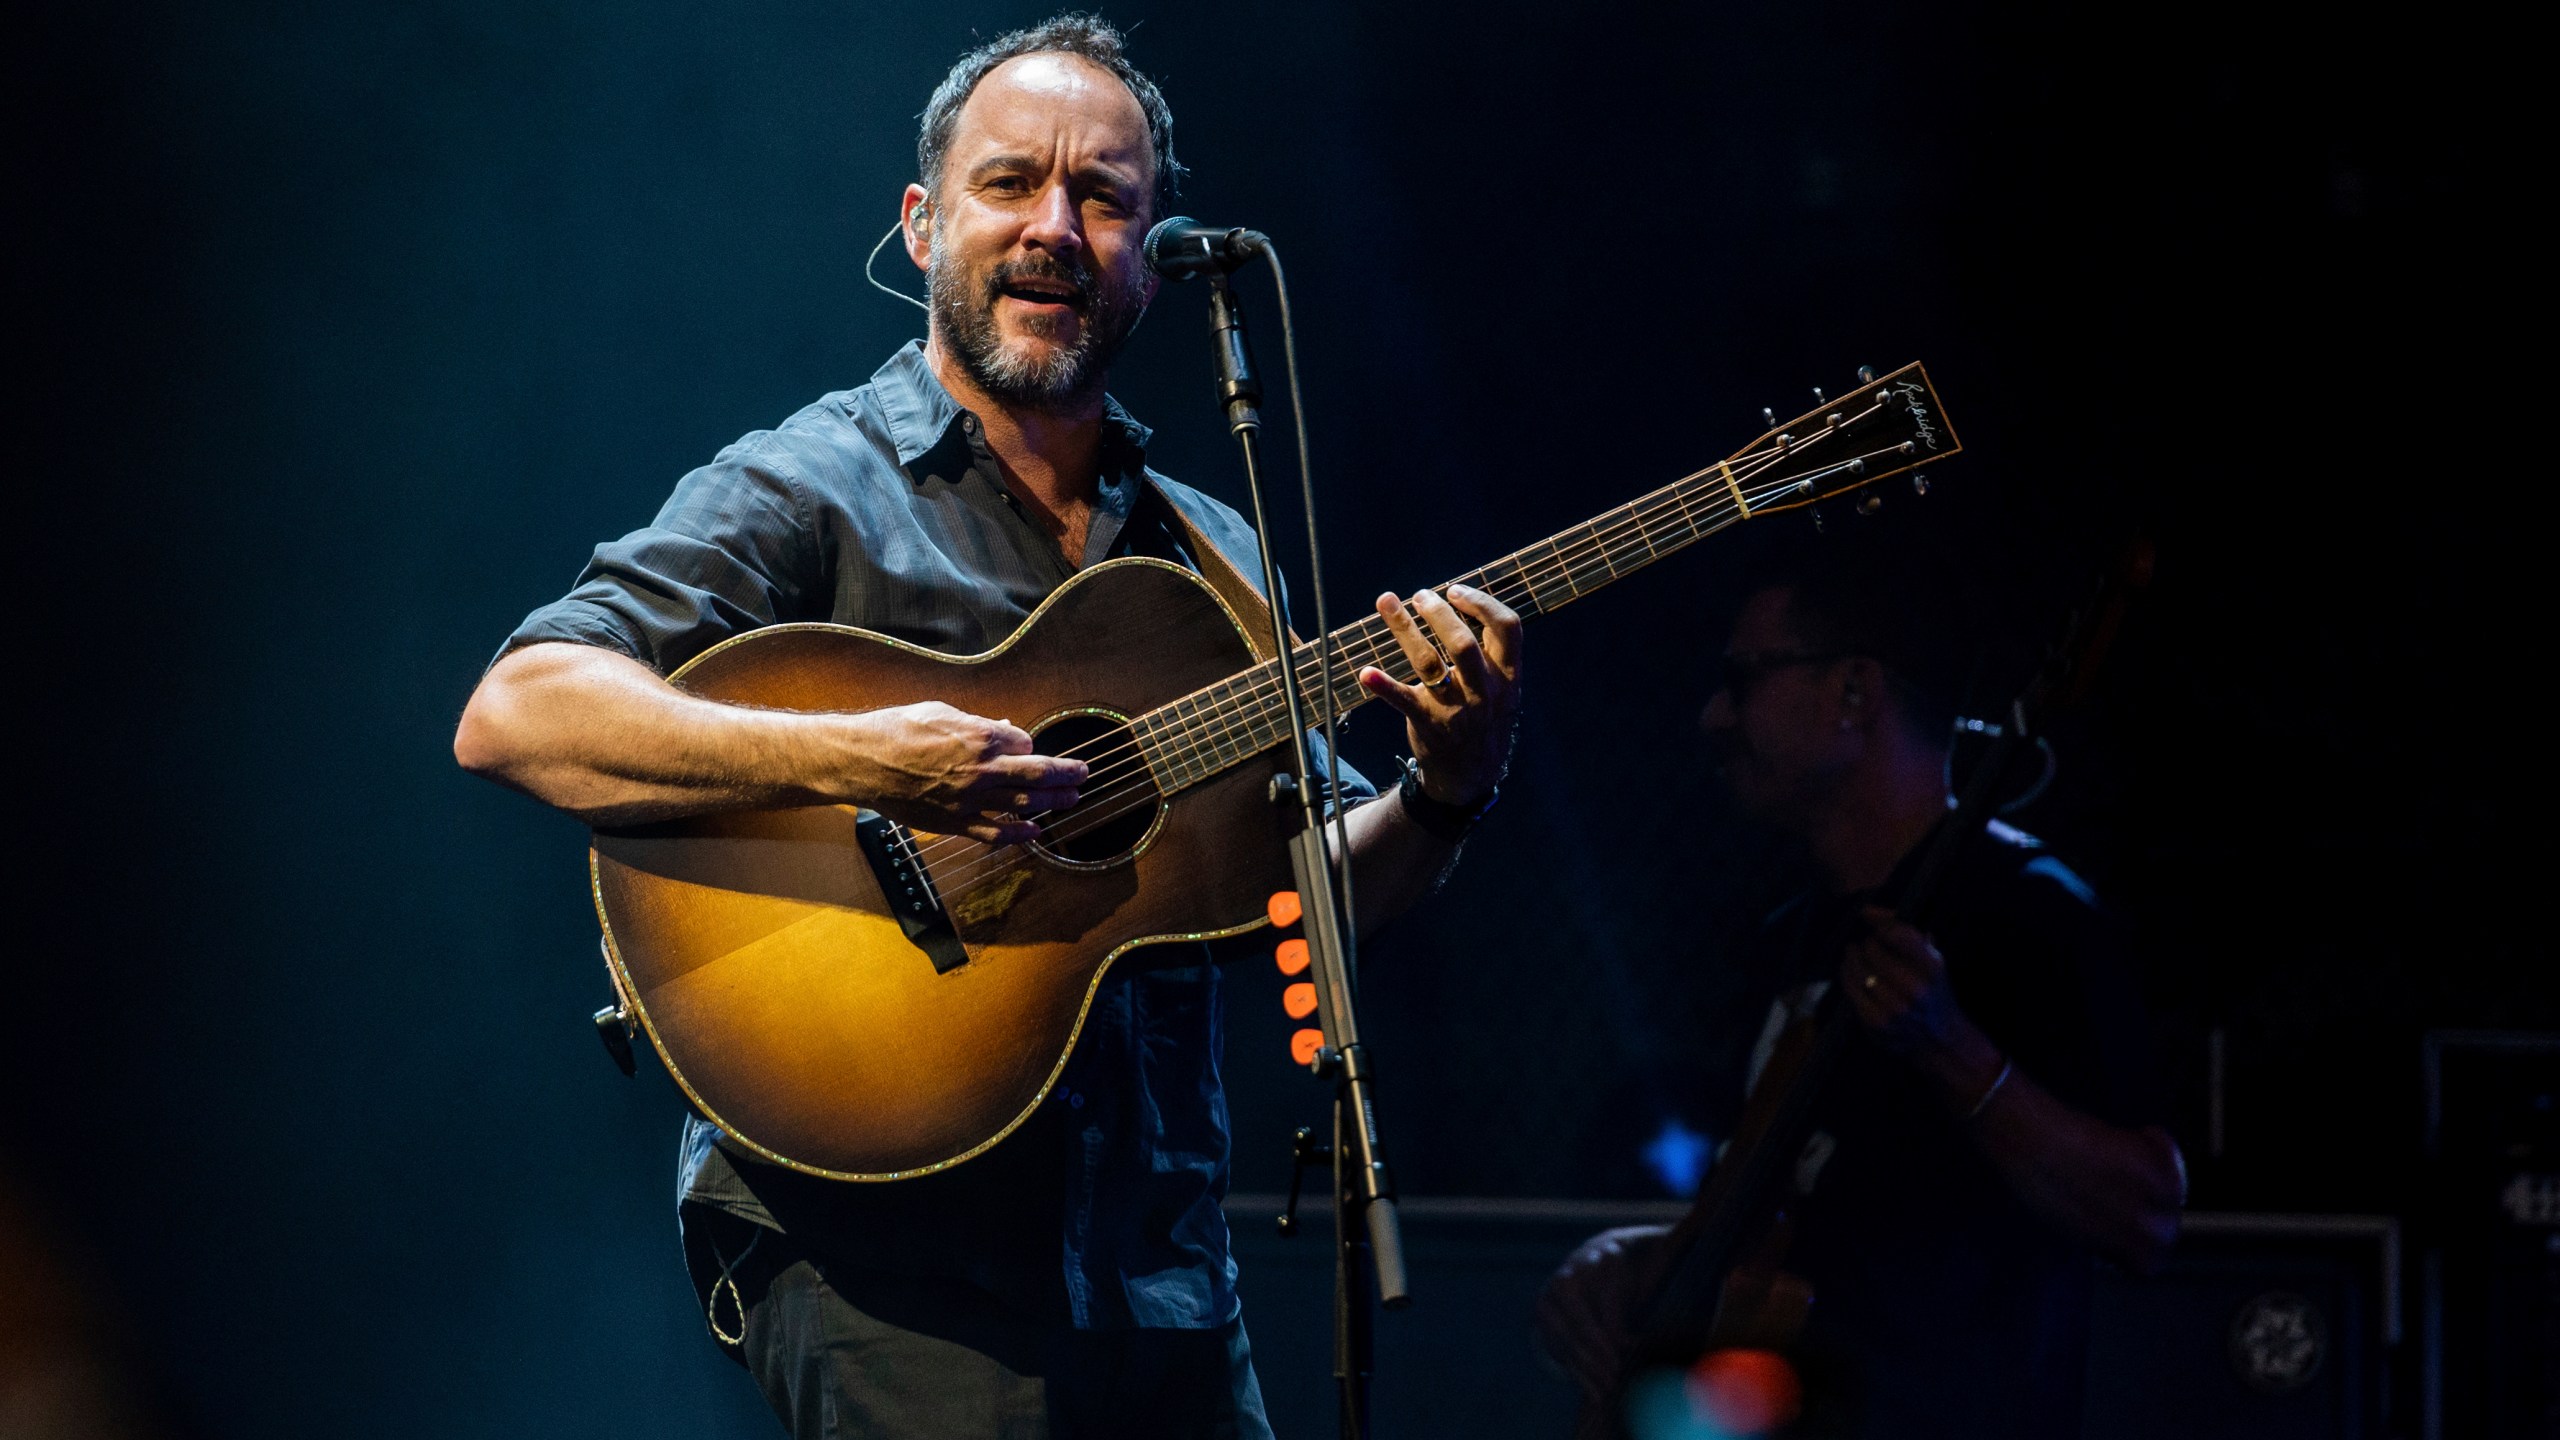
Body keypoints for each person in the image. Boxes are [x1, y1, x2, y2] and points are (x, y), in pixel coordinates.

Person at [452, 16, 1521, 1439]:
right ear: (922, 222)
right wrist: (862, 758)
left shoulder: (1209, 554)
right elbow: (519, 711)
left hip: (1163, 1278)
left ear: (1153, 248)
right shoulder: (809, 484)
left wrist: (1449, 785)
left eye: (1106, 199)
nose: (1056, 229)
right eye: (1011, 184)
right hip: (889, 1263)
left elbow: (1313, 885)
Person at [1536, 540, 2183, 1438]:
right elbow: (1805, 1212)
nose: (1713, 715)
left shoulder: (2029, 915)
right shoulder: (1794, 935)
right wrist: (1651, 1261)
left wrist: (1954, 1050)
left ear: (1853, 693)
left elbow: (2146, 1213)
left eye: (1745, 678)